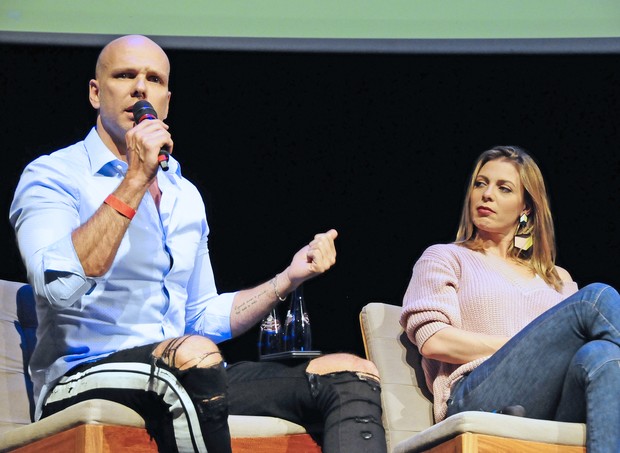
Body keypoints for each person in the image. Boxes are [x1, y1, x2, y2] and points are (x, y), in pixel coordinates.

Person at [9, 34, 386, 453]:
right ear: (96, 93)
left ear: (166, 102)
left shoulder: (184, 194)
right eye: (125, 75)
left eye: (154, 79)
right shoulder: (54, 176)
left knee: (349, 374)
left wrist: (287, 278)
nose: (140, 88)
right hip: (80, 376)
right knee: (194, 359)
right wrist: (135, 179)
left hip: (186, 367)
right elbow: (58, 286)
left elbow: (201, 317)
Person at [400, 145, 620, 453]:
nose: (487, 194)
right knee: (596, 298)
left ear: (525, 206)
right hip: (478, 394)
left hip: (555, 400)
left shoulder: (558, 279)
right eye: (481, 184)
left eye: (504, 188)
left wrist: (537, 349)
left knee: (602, 355)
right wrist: (520, 348)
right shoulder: (446, 257)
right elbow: (433, 341)